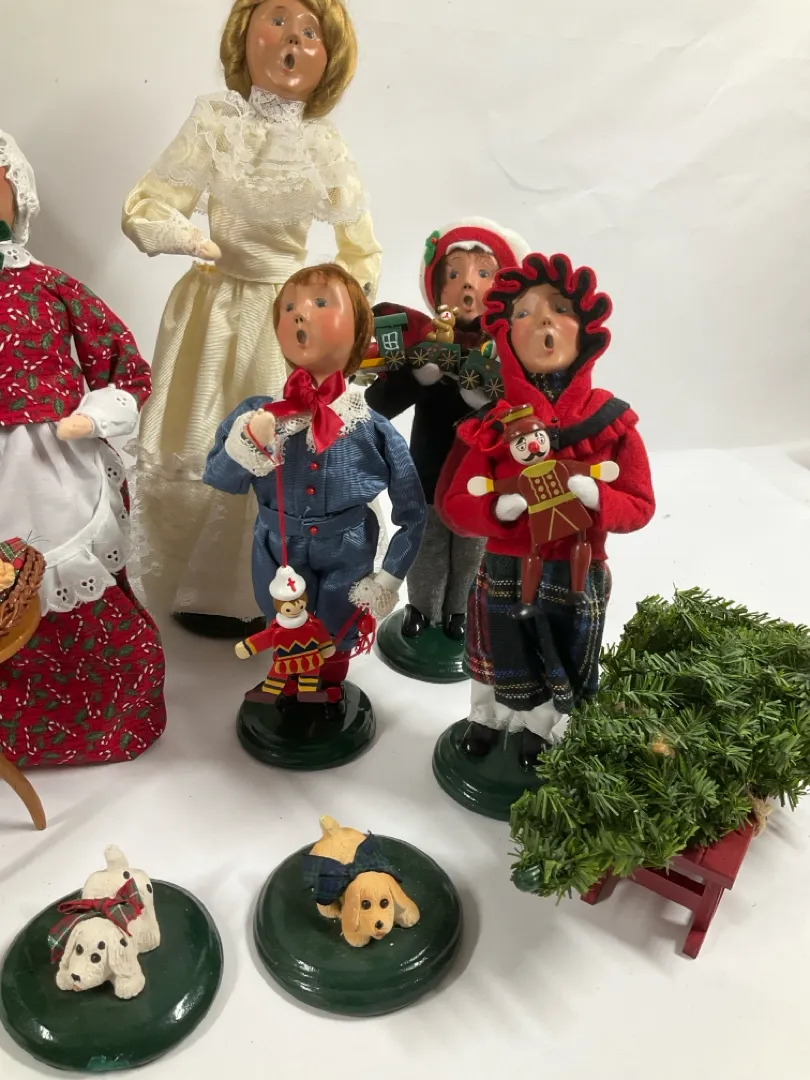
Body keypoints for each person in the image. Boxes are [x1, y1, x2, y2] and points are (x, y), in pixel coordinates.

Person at [122, 0, 382, 638]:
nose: (293, 41)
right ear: (244, 36)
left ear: (330, 59)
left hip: (284, 318)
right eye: (278, 22)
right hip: (212, 310)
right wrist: (191, 238)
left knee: (275, 444)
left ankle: (259, 588)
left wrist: (342, 315)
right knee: (203, 431)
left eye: (311, 32)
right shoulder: (217, 122)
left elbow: (361, 250)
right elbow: (146, 204)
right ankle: (196, 583)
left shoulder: (322, 144)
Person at [439, 253, 655, 769]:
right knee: (496, 650)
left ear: (587, 332)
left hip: (576, 568)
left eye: (559, 309)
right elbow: (455, 505)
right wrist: (500, 508)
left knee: (562, 654)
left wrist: (597, 499)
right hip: (507, 564)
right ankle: (487, 718)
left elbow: (641, 504)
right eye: (524, 312)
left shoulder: (611, 422)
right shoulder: (495, 425)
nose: (542, 321)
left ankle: (543, 730)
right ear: (505, 336)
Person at [0, 130, 166, 768]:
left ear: (18, 197)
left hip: (49, 462)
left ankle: (102, 719)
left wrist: (94, 416)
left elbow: (124, 362)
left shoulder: (49, 286)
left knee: (67, 583)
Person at [204, 263, 426, 695]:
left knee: (338, 626)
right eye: (289, 307)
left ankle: (328, 691)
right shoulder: (258, 414)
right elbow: (220, 478)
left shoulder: (371, 427)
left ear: (358, 331)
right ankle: (290, 689)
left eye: (321, 302)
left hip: (348, 549)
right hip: (277, 549)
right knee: (283, 622)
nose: (301, 313)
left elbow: (414, 512)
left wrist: (389, 577)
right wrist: (248, 441)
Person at [366, 219, 528, 643]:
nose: (467, 285)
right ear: (437, 288)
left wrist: (484, 402)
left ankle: (460, 609)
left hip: (481, 470)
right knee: (426, 537)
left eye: (483, 273)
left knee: (472, 542)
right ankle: (422, 606)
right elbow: (379, 403)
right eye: (454, 274)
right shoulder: (424, 340)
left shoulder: (508, 349)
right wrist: (419, 376)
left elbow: (525, 411)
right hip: (429, 463)